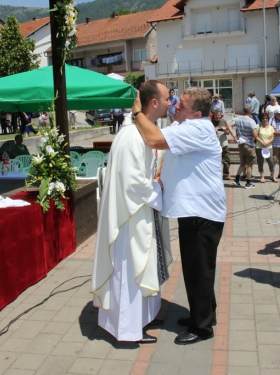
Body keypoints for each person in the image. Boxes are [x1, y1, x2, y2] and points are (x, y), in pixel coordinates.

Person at [133, 85, 226, 345]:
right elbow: (165, 146)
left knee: (199, 270)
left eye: (181, 105)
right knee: (197, 267)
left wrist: (137, 114)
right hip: (195, 210)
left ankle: (202, 327)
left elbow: (154, 139)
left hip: (201, 212)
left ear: (196, 113)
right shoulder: (185, 125)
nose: (175, 106)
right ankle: (205, 314)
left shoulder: (198, 128)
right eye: (175, 101)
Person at [91, 80, 172, 344]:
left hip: (139, 213)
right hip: (128, 219)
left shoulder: (143, 130)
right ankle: (128, 329)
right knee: (130, 270)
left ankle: (143, 317)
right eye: (168, 99)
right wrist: (158, 186)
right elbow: (133, 184)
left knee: (143, 267)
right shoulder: (130, 136)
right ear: (154, 103)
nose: (171, 103)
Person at [233, 105, 258, 189]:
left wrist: (234, 136)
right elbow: (255, 134)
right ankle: (248, 182)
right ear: (250, 111)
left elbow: (229, 125)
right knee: (249, 165)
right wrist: (253, 138)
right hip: (249, 144)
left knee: (243, 163)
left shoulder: (238, 119)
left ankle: (236, 179)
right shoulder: (251, 121)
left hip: (241, 143)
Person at [212, 109, 235, 180]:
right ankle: (215, 175)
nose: (218, 117)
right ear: (214, 116)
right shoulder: (211, 123)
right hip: (215, 145)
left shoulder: (223, 121)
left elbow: (228, 132)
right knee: (215, 161)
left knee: (227, 160)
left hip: (224, 144)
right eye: (216, 116)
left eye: (219, 115)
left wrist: (225, 130)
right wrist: (214, 130)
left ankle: (226, 174)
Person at [255, 113, 276, 183]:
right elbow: (256, 136)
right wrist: (262, 142)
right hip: (260, 146)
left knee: (271, 161)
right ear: (261, 119)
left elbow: (272, 137)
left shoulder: (271, 127)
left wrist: (267, 143)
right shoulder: (258, 126)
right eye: (263, 118)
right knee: (260, 162)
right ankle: (262, 176)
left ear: (268, 119)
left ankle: (272, 175)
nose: (265, 120)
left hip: (268, 146)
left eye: (266, 118)